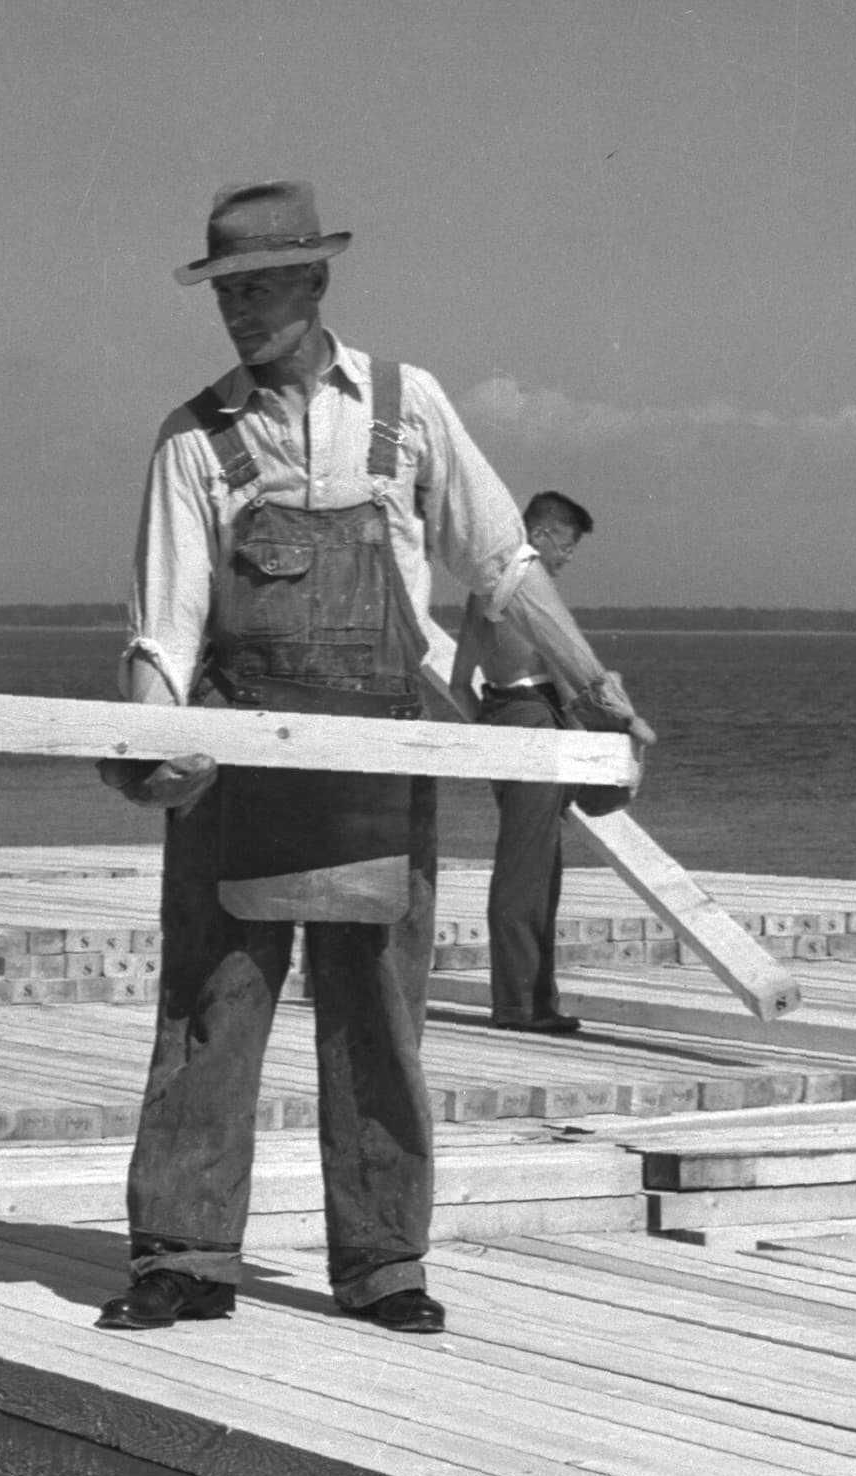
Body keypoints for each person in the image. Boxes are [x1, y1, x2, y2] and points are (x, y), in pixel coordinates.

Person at [96, 182, 648, 1336]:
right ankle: (184, 1256)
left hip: (377, 770)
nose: (241, 311)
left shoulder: (408, 408)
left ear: (317, 282)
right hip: (236, 775)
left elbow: (499, 567)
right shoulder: (192, 439)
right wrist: (153, 749)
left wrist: (597, 689)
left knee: (379, 1020)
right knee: (211, 1007)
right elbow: (166, 625)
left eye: (261, 287)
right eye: (226, 292)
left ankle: (385, 1264)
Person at [449, 487, 602, 1034]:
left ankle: (533, 1001)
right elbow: (567, 676)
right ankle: (520, 1006)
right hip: (535, 718)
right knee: (529, 874)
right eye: (564, 548)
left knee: (537, 868)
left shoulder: (484, 592)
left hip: (507, 716)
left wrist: (492, 734)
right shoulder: (529, 597)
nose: (564, 561)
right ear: (539, 536)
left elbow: (458, 683)